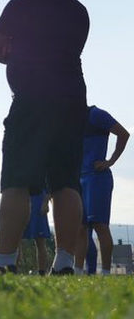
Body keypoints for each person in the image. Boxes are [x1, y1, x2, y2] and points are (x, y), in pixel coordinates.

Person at [0, 0, 89, 275]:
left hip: (31, 99)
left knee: (16, 181)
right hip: (71, 101)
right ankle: (66, 263)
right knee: (66, 182)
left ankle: (6, 262)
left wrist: (14, 54)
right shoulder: (80, 12)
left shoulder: (20, 6)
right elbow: (63, 50)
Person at [75, 106, 129, 275]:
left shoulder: (96, 114)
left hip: (97, 178)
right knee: (80, 228)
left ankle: (105, 273)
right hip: (78, 179)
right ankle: (78, 272)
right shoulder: (67, 118)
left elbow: (123, 134)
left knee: (100, 226)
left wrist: (110, 161)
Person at [21, 192, 51, 275]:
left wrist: (45, 202)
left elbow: (48, 184)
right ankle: (14, 271)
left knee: (40, 241)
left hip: (38, 203)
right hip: (23, 200)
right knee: (17, 240)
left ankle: (42, 273)